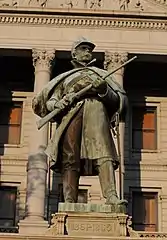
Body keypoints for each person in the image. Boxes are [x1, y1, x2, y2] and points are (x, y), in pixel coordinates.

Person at [32, 37, 128, 205]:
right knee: (70, 157)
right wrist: (58, 103)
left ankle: (111, 196)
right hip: (71, 116)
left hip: (96, 113)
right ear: (74, 53)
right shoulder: (65, 78)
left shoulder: (103, 75)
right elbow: (50, 101)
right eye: (83, 48)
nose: (87, 52)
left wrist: (104, 90)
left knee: (104, 154)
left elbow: (119, 101)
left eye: (89, 49)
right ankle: (69, 200)